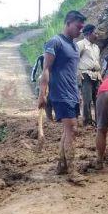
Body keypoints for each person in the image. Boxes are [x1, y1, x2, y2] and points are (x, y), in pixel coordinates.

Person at [38, 10, 87, 183]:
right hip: (60, 94)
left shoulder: (74, 46)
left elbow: (71, 72)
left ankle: (61, 165)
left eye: (82, 28)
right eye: (78, 27)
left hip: (72, 93)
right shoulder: (55, 42)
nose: (80, 31)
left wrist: (78, 93)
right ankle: (72, 171)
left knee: (68, 130)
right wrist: (42, 94)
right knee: (72, 129)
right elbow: (46, 69)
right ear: (68, 23)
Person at [77, 24, 102, 127]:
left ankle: (99, 121)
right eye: (95, 33)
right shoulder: (80, 44)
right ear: (88, 33)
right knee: (87, 99)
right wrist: (77, 73)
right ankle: (87, 122)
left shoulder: (96, 47)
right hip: (85, 74)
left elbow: (97, 62)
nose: (97, 35)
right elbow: (74, 60)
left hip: (96, 74)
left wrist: (100, 75)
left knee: (98, 100)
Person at [31, 54, 53, 120]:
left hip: (53, 77)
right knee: (46, 96)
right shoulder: (41, 57)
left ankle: (51, 116)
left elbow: (35, 68)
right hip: (45, 76)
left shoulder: (56, 55)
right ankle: (49, 116)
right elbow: (35, 68)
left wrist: (33, 77)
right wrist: (32, 77)